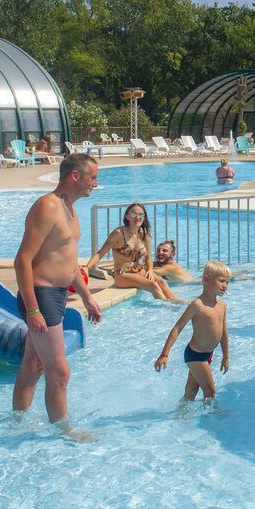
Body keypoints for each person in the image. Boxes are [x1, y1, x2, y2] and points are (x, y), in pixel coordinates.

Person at [11, 152, 104, 437]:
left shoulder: (71, 210)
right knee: (60, 372)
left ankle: (17, 422)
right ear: (74, 176)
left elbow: (69, 260)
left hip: (58, 294)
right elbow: (22, 260)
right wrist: (31, 309)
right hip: (41, 296)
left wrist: (87, 296)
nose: (95, 184)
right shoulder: (47, 206)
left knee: (33, 364)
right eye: (92, 178)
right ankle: (64, 432)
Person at [154, 260, 231, 400]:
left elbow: (223, 333)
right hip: (196, 355)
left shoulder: (222, 306)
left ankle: (181, 415)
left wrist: (226, 357)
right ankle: (209, 418)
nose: (225, 286)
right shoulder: (197, 305)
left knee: (191, 391)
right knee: (210, 392)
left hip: (208, 354)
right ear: (206, 278)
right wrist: (164, 355)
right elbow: (177, 328)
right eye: (221, 281)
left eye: (227, 282)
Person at [84, 203, 180, 302]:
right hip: (122, 275)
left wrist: (150, 270)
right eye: (134, 214)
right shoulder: (118, 234)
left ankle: (179, 305)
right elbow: (100, 253)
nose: (137, 217)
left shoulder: (144, 233)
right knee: (153, 285)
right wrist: (87, 267)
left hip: (139, 271)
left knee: (162, 283)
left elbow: (148, 258)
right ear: (127, 216)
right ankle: (166, 309)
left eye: (141, 214)